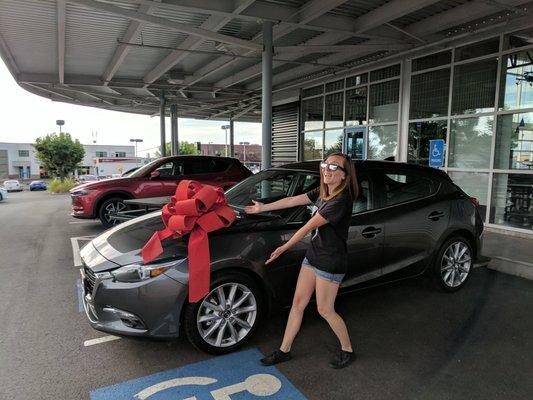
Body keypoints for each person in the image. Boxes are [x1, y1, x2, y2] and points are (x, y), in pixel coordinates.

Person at [244, 153, 358, 369]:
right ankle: (284, 351)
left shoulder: (341, 201)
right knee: (298, 304)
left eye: (334, 167)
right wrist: (263, 208)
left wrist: (283, 248)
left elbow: (307, 227)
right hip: (313, 256)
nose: (326, 169)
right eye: (325, 164)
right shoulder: (322, 193)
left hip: (330, 262)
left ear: (344, 176)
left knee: (325, 309)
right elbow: (292, 200)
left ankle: (347, 349)